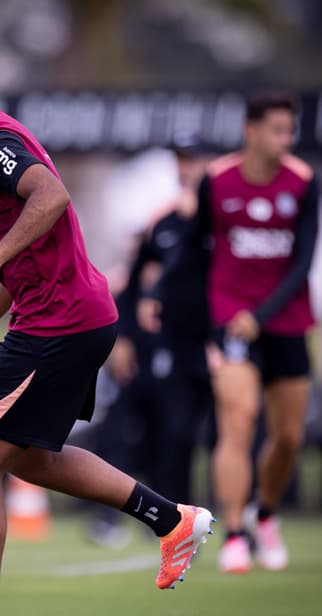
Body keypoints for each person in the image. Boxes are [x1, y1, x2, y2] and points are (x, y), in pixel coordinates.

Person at [0, 62, 213, 616]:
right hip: (72, 315)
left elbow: (51, 195)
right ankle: (171, 519)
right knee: (31, 458)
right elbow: (34, 250)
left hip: (59, 321)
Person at [141, 92, 320, 574]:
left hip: (286, 323)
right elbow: (193, 245)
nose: (285, 139)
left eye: (290, 130)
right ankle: (236, 533)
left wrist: (262, 315)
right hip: (231, 321)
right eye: (277, 130)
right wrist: (159, 291)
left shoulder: (303, 182)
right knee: (237, 421)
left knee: (287, 437)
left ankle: (267, 513)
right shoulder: (218, 180)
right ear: (251, 131)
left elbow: (303, 262)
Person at [88, 134, 216, 547]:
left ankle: (197, 520)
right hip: (148, 347)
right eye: (181, 160)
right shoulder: (162, 222)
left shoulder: (220, 219)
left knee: (182, 434)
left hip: (200, 346)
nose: (185, 168)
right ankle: (116, 520)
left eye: (192, 159)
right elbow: (133, 281)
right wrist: (124, 337)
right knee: (121, 429)